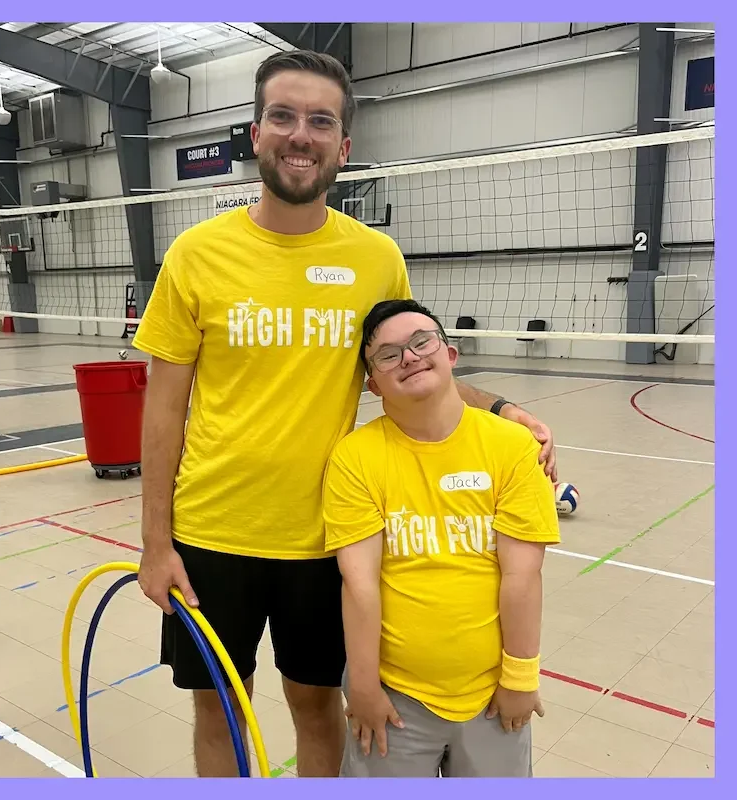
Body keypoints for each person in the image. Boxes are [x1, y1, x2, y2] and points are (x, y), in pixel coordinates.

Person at [133, 49, 557, 778]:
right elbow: (163, 409)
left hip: (328, 536)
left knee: (315, 702)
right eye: (284, 116)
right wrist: (154, 543)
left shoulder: (375, 258)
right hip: (211, 534)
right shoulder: (195, 255)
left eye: (320, 121)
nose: (301, 134)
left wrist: (505, 407)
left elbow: (409, 367)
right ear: (255, 133)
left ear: (344, 146)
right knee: (218, 710)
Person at [322, 299, 561, 778]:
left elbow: (522, 576)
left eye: (420, 342)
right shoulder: (356, 457)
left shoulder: (511, 447)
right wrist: (365, 687)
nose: (409, 357)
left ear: (449, 353)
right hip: (394, 696)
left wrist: (519, 677)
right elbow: (360, 584)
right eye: (388, 355)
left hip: (494, 693)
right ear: (373, 384)